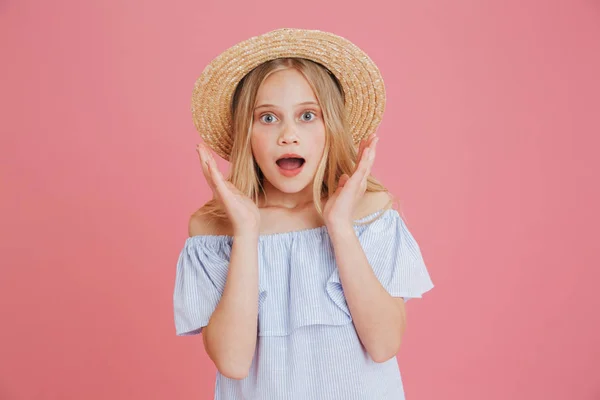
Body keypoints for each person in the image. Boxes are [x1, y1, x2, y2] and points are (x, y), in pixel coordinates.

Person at [173, 28, 434, 399]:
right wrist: (246, 232)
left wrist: (340, 226)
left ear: (331, 128)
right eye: (267, 118)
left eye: (308, 115)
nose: (288, 135)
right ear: (245, 134)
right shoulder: (213, 231)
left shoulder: (370, 215)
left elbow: (384, 343)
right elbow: (232, 362)